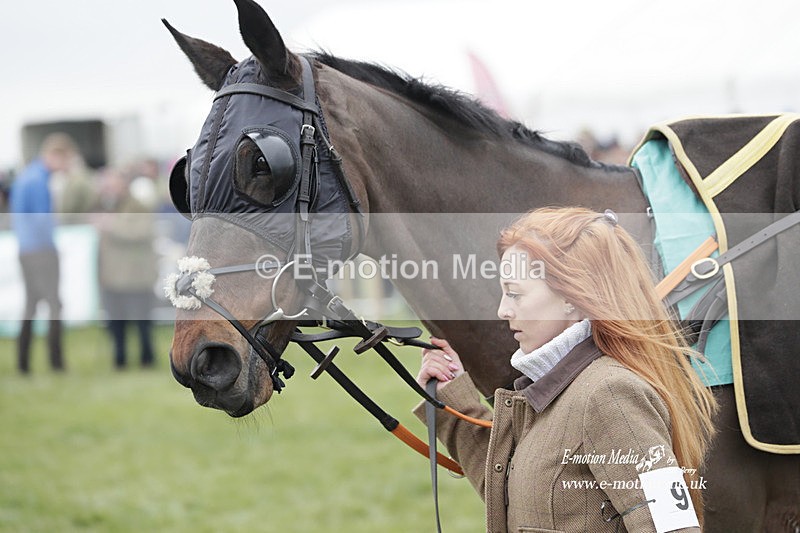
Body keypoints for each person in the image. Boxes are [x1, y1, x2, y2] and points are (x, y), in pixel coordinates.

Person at [415, 207, 718, 532]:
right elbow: (515, 498)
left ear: (572, 297)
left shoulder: (611, 395)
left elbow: (673, 528)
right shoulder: (555, 394)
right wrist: (451, 398)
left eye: (515, 294)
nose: (503, 310)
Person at [9, 133, 79, 374]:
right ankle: (56, 362)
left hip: (26, 249)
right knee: (54, 305)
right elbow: (41, 220)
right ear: (55, 155)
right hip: (41, 251)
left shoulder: (26, 176)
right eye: (65, 160)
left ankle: (23, 363)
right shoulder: (39, 180)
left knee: (30, 306)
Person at [93, 167, 158, 369]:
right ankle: (119, 360)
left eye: (112, 184)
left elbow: (141, 232)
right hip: (112, 278)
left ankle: (147, 360)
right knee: (116, 324)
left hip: (136, 277)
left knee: (142, 323)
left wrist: (111, 226)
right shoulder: (106, 206)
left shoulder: (138, 206)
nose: (109, 189)